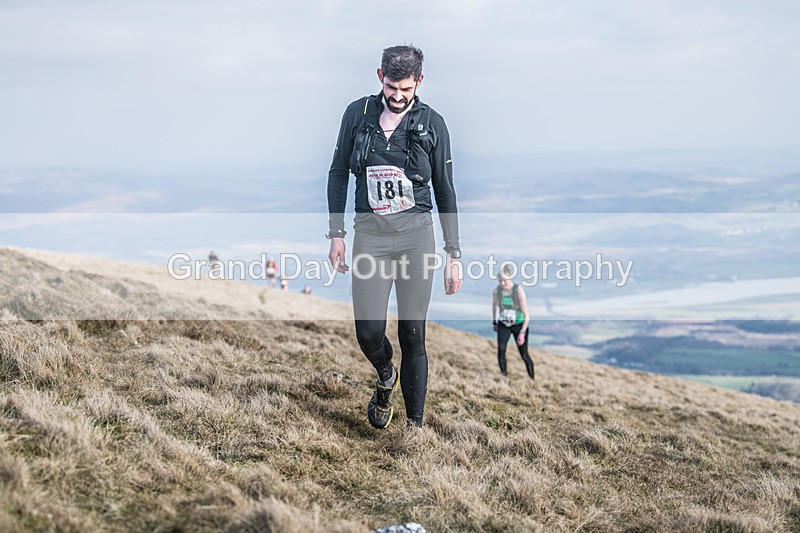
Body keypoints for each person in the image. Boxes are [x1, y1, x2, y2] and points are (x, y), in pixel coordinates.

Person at [327, 45, 462, 430]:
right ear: (379, 77)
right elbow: (338, 173)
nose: (397, 96)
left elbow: (446, 190)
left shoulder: (433, 124)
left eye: (405, 88)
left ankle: (414, 428)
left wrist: (454, 254)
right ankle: (386, 376)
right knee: (368, 331)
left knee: (412, 332)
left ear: (419, 82)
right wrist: (336, 234)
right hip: (370, 236)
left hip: (415, 237)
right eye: (391, 87)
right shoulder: (357, 114)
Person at [492, 265, 535, 379]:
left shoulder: (518, 290)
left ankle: (532, 379)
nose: (502, 283)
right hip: (504, 324)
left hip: (519, 325)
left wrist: (522, 333)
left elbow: (527, 315)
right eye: (500, 281)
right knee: (501, 349)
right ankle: (504, 377)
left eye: (504, 281)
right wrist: (494, 322)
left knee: (524, 354)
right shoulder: (497, 291)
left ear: (510, 278)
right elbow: (494, 306)